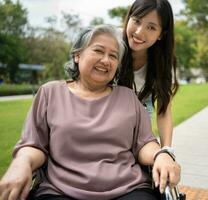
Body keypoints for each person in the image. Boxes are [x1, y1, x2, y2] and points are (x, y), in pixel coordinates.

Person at [0, 25, 180, 200]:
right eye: (99, 51)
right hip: (60, 191)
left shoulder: (128, 98)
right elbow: (35, 145)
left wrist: (161, 154)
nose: (106, 60)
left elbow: (144, 144)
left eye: (113, 56)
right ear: (77, 55)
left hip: (128, 189)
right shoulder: (50, 93)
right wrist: (21, 162)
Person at [118, 0, 179, 150]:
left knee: (165, 168)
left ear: (161, 35)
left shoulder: (163, 63)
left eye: (151, 27)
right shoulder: (112, 44)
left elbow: (163, 111)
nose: (139, 32)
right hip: (102, 131)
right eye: (136, 21)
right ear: (129, 17)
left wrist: (166, 150)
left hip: (138, 139)